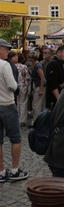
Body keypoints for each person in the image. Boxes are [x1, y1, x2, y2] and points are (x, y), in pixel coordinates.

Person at [0, 39, 29, 182]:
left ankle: (1, 171)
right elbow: (12, 85)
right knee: (16, 138)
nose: (7, 51)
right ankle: (15, 170)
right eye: (6, 49)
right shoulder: (4, 65)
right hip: (6, 104)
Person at [45, 45, 64, 110]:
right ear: (59, 53)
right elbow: (52, 84)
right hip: (54, 99)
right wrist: (58, 98)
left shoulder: (61, 64)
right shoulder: (53, 64)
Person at [28, 51, 46, 122]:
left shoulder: (37, 66)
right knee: (39, 105)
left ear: (33, 58)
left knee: (36, 105)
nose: (28, 58)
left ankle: (35, 121)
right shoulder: (35, 64)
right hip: (37, 86)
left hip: (39, 86)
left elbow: (42, 77)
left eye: (29, 57)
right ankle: (38, 121)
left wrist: (41, 89)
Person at [15, 53, 31, 126]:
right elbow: (27, 77)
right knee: (23, 103)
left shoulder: (13, 66)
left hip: (15, 86)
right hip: (23, 86)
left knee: (17, 102)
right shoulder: (24, 67)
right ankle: (22, 120)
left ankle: (17, 118)